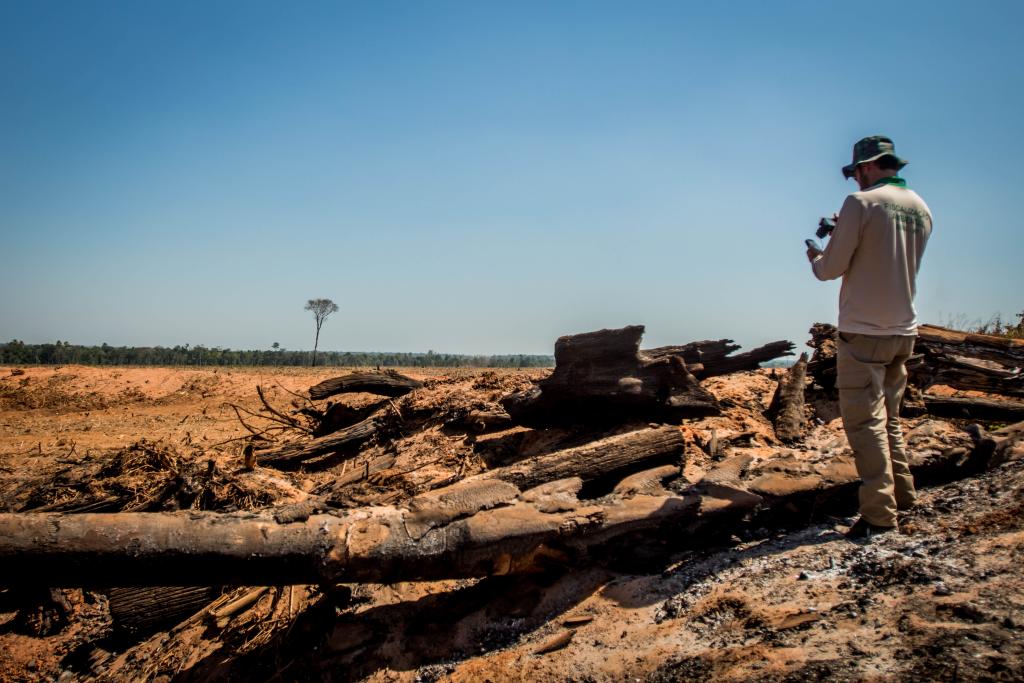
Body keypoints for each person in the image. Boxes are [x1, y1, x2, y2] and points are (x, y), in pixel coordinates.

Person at [807, 135, 933, 539]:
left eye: (856, 172)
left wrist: (816, 253)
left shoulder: (859, 204)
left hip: (863, 331)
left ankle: (879, 515)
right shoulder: (921, 208)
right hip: (903, 328)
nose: (855, 180)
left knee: (865, 425)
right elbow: (886, 254)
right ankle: (904, 494)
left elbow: (831, 270)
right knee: (890, 420)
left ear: (865, 167)